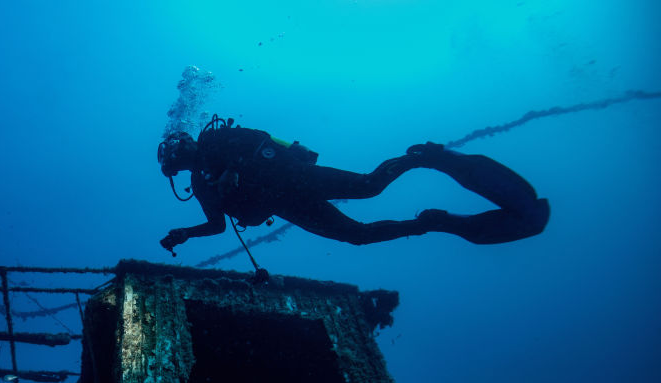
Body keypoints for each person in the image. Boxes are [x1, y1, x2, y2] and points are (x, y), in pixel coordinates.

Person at [157, 117, 549, 254]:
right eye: (176, 162)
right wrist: (185, 233)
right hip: (287, 206)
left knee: (369, 186)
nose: (183, 159)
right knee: (355, 237)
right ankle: (432, 222)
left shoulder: (217, 140)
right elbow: (217, 225)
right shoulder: (201, 183)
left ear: (186, 144)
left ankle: (423, 158)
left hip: (292, 178)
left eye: (179, 153)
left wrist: (236, 167)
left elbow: (261, 137)